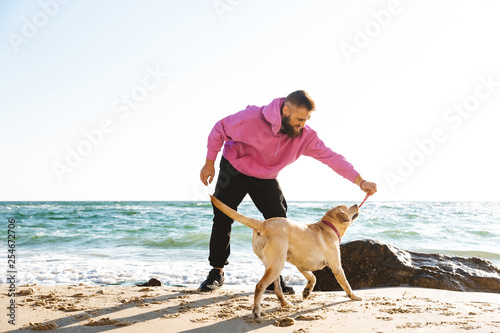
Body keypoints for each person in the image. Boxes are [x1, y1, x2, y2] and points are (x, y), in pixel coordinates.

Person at [199, 90, 377, 293]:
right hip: (234, 168)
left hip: (266, 177)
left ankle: (274, 275)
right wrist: (209, 163)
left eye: (306, 120)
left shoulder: (305, 137)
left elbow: (331, 157)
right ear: (285, 111)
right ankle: (217, 271)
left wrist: (360, 181)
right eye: (299, 119)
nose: (302, 125)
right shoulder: (251, 119)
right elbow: (219, 129)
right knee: (222, 216)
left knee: (279, 223)